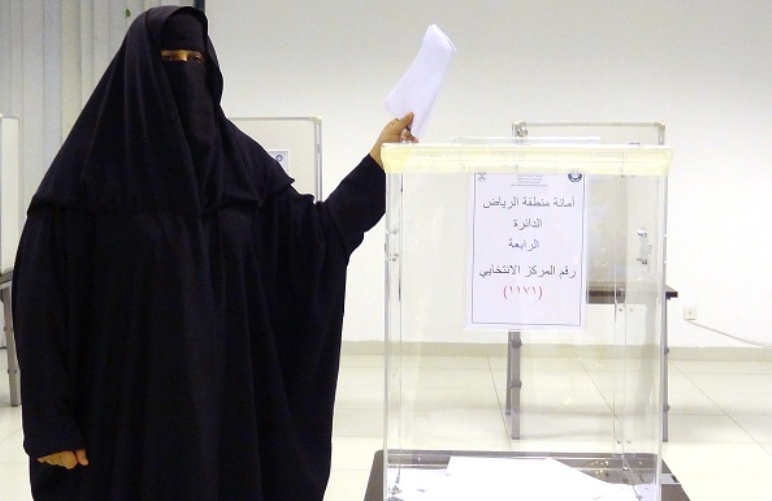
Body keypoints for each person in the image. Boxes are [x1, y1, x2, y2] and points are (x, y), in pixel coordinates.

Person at [12, 5, 414, 500]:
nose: (183, 71)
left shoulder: (241, 165)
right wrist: (51, 424)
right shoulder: (84, 179)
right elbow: (40, 307)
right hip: (122, 424)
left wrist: (376, 164)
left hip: (224, 416)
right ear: (138, 73)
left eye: (194, 59)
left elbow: (313, 243)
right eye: (168, 59)